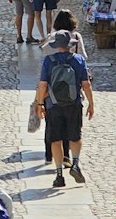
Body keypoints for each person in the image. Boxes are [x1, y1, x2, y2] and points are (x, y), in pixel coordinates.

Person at [35, 30, 94, 186]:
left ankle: (59, 175)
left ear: (56, 46)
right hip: (74, 104)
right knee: (75, 136)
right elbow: (86, 84)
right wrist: (91, 103)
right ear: (70, 46)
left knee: (56, 139)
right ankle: (75, 163)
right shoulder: (79, 60)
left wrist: (40, 104)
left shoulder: (49, 61)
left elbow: (42, 85)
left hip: (53, 105)